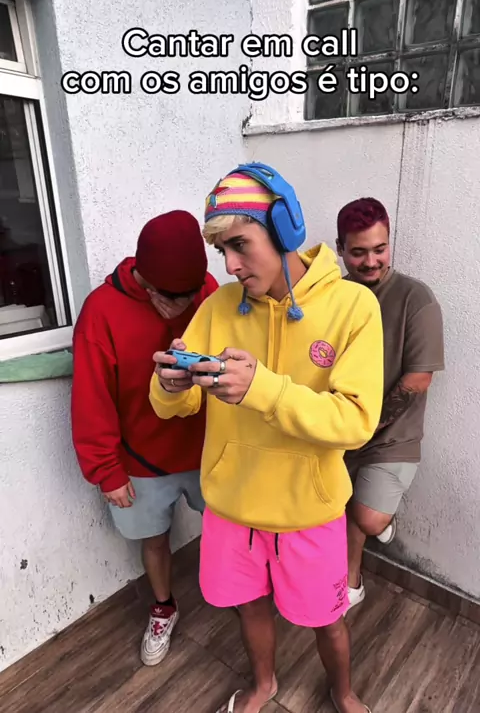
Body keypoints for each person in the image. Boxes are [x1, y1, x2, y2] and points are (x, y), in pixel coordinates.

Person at [149, 164, 384, 713]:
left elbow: (355, 421)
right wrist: (169, 385)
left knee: (328, 619)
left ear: (284, 228)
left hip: (310, 511)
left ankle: (343, 692)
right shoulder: (218, 307)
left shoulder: (353, 308)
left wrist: (264, 389)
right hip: (232, 509)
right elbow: (175, 406)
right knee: (249, 609)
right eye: (221, 251)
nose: (229, 265)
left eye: (239, 245)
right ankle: (263, 686)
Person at [71, 210, 218, 666]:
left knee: (226, 529)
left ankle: (235, 594)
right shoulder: (101, 311)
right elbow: (91, 397)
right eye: (175, 297)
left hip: (209, 449)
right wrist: (106, 470)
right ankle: (163, 607)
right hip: (140, 457)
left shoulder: (207, 293)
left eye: (193, 292)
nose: (186, 304)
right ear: (147, 281)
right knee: (154, 540)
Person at [335, 197, 444, 611]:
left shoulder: (416, 298)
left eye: (379, 249)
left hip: (391, 435)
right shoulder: (333, 295)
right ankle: (350, 579)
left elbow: (418, 380)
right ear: (340, 249)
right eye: (358, 251)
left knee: (366, 517)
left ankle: (380, 520)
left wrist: (366, 426)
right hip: (337, 426)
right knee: (331, 506)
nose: (370, 261)